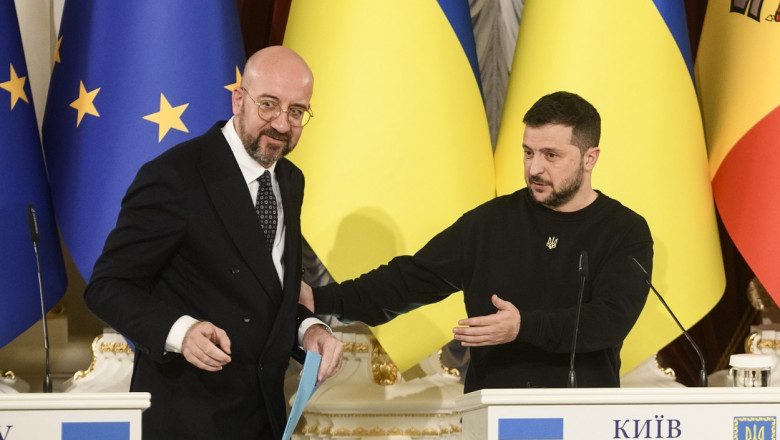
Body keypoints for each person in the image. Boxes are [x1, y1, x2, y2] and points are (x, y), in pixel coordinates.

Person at [300, 91, 652, 391]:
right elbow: (408, 280)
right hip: (496, 417)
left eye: (551, 155)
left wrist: (522, 327)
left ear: (590, 158)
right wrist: (323, 297)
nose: (534, 169)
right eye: (528, 152)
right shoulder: (491, 223)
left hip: (584, 418)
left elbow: (609, 320)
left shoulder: (625, 231)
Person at [84, 46, 343, 440]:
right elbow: (107, 286)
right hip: (188, 417)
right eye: (269, 104)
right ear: (239, 99)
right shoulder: (176, 176)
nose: (282, 124)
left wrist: (308, 329)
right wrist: (181, 331)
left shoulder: (290, 180)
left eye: (296, 111)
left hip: (265, 416)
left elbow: (265, 292)